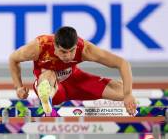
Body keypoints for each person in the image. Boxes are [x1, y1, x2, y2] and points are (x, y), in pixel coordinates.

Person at [8, 26, 136, 116]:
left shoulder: (85, 49)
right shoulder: (39, 47)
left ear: (76, 46)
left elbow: (122, 63)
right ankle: (46, 96)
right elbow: (13, 59)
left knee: (121, 91)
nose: (68, 56)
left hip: (76, 81)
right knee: (48, 74)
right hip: (54, 88)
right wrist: (18, 87)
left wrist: (128, 94)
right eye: (63, 52)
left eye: (72, 51)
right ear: (55, 46)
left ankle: (47, 94)